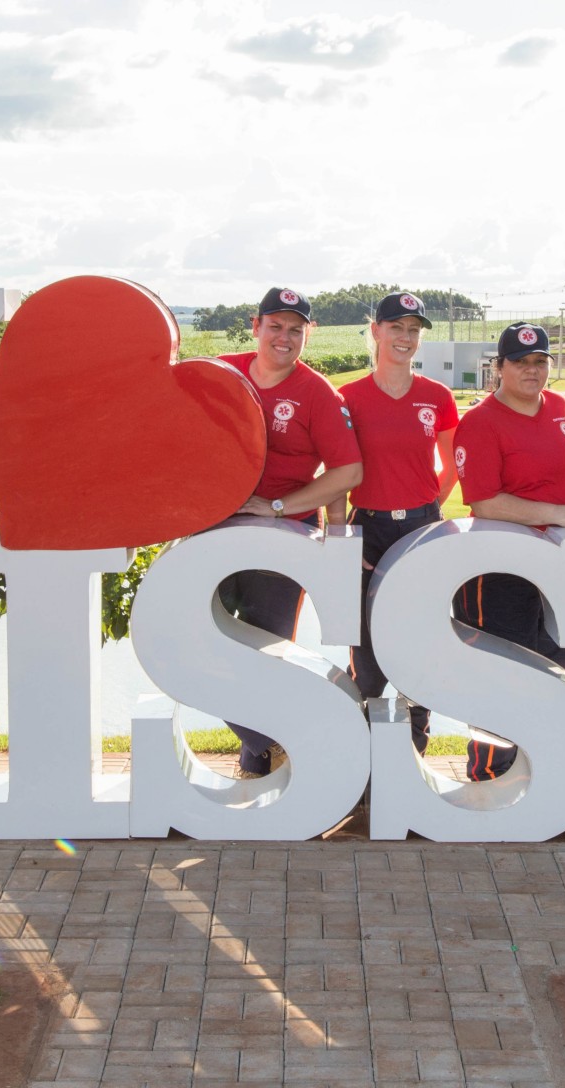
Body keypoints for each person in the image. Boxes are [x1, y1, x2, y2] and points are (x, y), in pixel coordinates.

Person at [218, 287, 365, 778]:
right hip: (214, 532)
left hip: (281, 537)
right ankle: (272, 748)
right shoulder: (222, 371)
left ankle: (265, 759)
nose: (285, 337)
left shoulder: (318, 393)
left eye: (296, 330)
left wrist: (278, 507)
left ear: (308, 334)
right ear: (255, 325)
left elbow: (347, 472)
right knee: (196, 638)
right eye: (275, 326)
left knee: (266, 648)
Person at [451, 322, 565, 780]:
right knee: (502, 675)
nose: (531, 371)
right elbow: (485, 500)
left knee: (553, 667)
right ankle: (490, 775)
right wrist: (559, 513)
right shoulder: (480, 422)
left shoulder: (559, 406)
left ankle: (540, 774)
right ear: (500, 367)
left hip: (559, 563)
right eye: (520, 362)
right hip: (501, 568)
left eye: (539, 362)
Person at [339, 291, 459, 753]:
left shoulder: (436, 396)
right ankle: (364, 757)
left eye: (413, 330)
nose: (406, 338)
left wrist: (426, 505)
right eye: (397, 328)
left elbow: (451, 467)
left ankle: (413, 754)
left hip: (421, 528)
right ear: (376, 331)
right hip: (367, 527)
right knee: (367, 651)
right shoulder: (348, 397)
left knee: (421, 642)